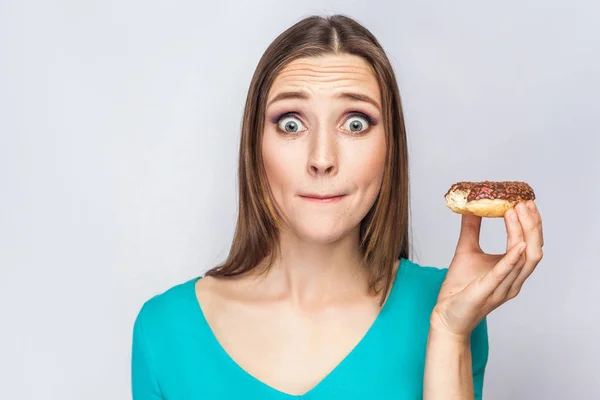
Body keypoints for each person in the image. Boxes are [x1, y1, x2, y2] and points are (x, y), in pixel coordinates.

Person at [131, 14, 543, 399]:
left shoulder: (451, 305)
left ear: (390, 149)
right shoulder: (165, 330)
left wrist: (450, 334)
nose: (322, 158)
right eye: (291, 124)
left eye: (356, 123)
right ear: (254, 147)